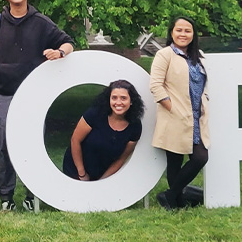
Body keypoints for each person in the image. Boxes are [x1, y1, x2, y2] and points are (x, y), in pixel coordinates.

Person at [0, 0, 75, 211]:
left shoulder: (41, 22)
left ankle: (32, 195)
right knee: (3, 143)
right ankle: (6, 198)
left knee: (33, 145)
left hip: (34, 95)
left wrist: (60, 53)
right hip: (4, 93)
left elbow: (68, 42)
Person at [149, 16, 209, 210]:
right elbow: (156, 86)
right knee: (174, 160)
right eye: (179, 30)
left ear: (193, 34)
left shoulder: (197, 56)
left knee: (200, 157)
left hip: (196, 117)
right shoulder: (164, 55)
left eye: (187, 31)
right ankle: (177, 201)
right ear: (172, 32)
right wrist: (172, 109)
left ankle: (169, 195)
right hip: (175, 116)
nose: (183, 34)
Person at [62, 80, 144, 181]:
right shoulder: (95, 114)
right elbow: (75, 140)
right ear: (108, 99)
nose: (118, 102)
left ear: (131, 101)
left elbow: (121, 159)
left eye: (123, 98)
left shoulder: (135, 126)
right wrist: (82, 173)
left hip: (104, 173)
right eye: (114, 98)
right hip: (76, 168)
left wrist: (103, 181)